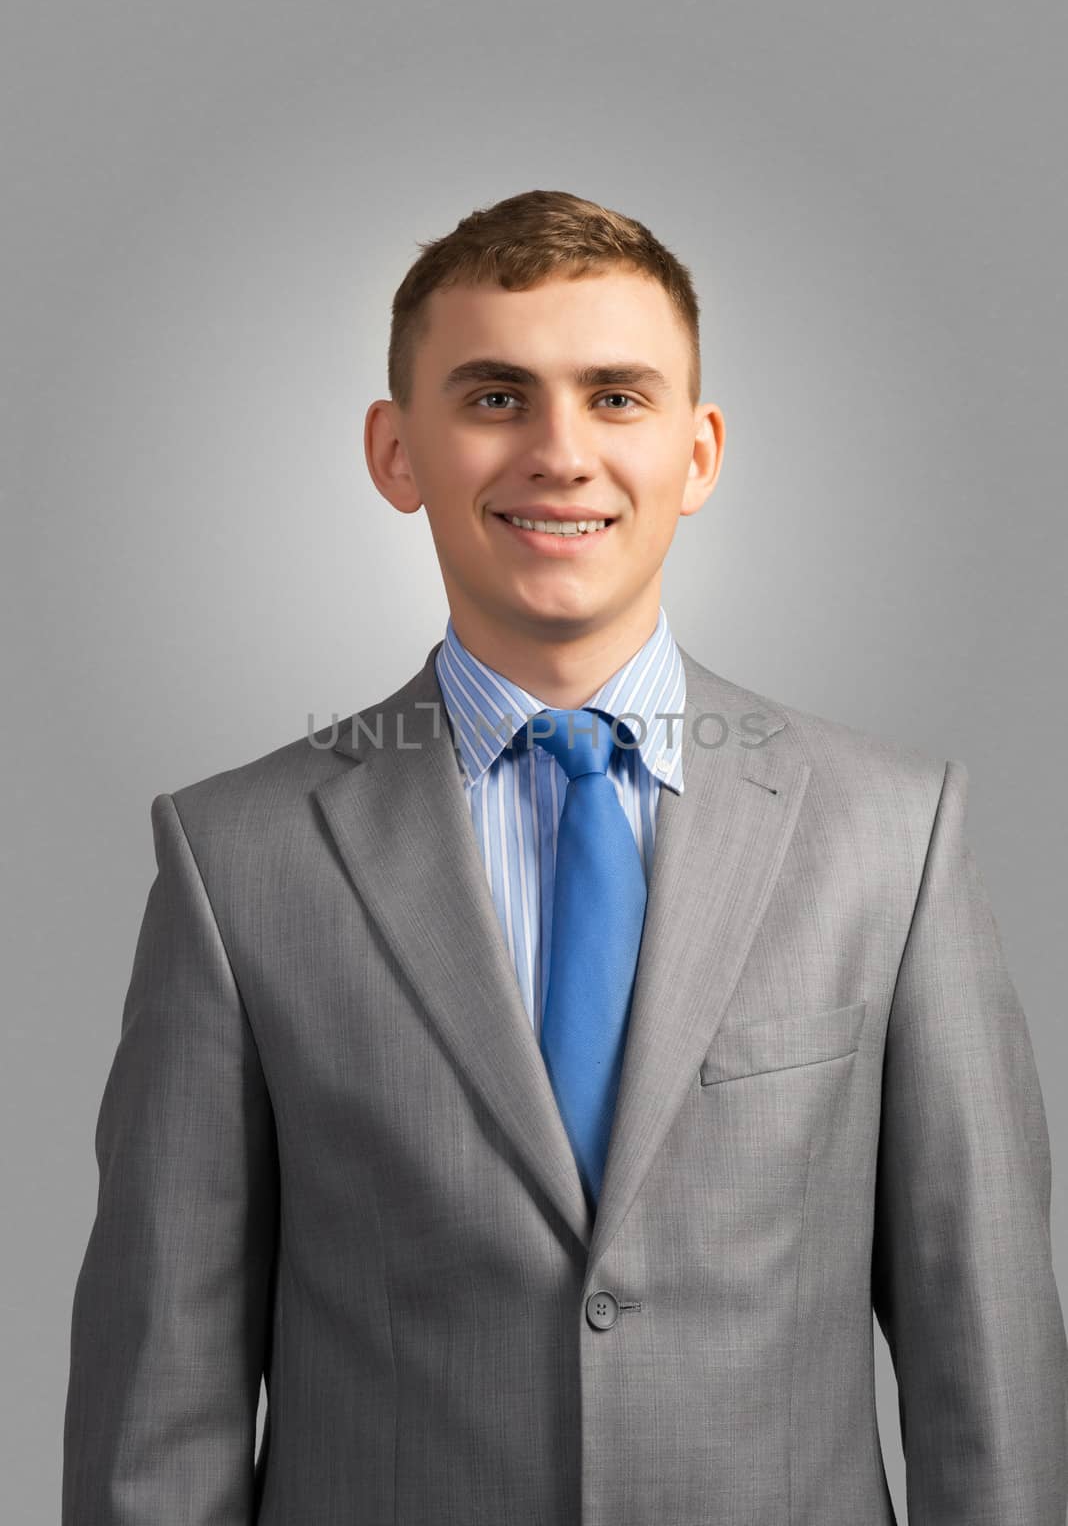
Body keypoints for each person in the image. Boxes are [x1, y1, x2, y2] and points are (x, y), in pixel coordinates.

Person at [62, 188, 1068, 1524]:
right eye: (493, 398)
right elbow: (160, 1412)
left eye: (616, 396)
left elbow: (985, 1369)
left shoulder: (895, 833)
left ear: (698, 452)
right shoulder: (233, 860)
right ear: (395, 450)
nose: (559, 452)